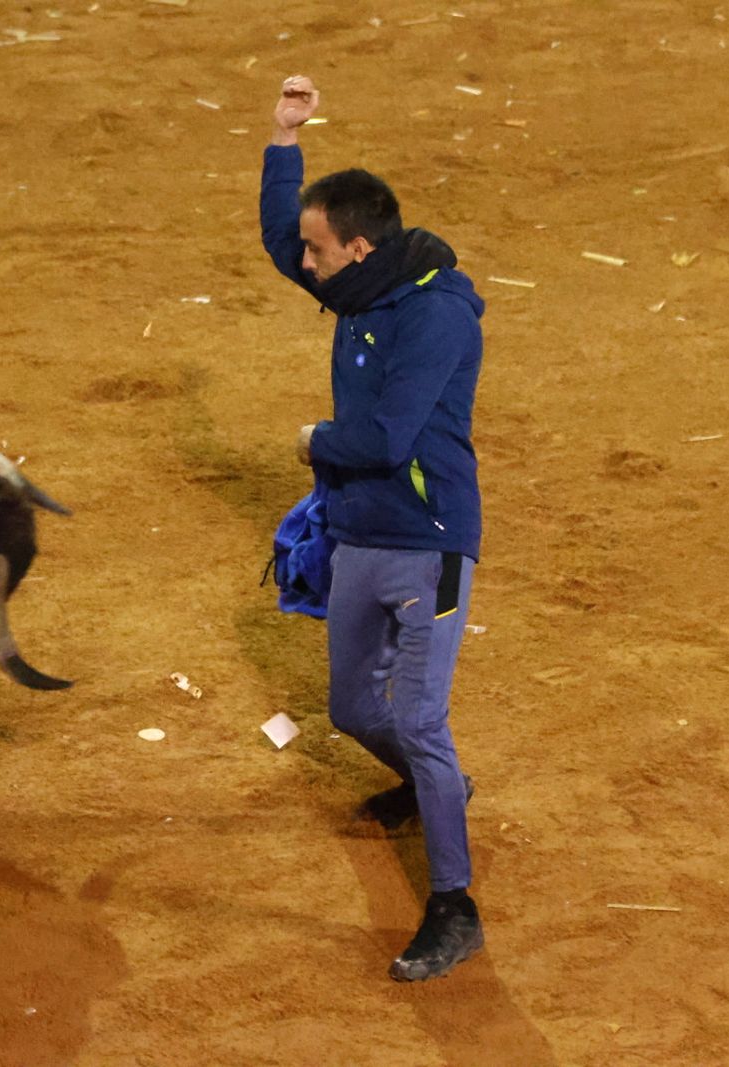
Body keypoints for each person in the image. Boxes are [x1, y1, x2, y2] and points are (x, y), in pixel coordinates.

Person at [261, 75, 487, 982]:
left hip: (429, 545)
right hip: (360, 531)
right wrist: (283, 141)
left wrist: (315, 438)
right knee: (353, 707)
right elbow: (285, 240)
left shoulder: (431, 316)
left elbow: (388, 438)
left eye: (319, 253)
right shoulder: (360, 285)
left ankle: (454, 905)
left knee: (423, 723)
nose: (303, 266)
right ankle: (440, 793)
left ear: (357, 249)